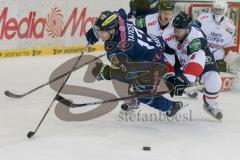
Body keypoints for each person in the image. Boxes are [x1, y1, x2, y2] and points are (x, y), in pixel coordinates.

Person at [86, 9, 183, 117]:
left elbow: (129, 73)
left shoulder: (115, 51)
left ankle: (171, 106)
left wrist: (105, 73)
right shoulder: (120, 20)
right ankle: (133, 100)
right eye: (98, 31)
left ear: (112, 30)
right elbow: (121, 12)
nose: (99, 34)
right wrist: (95, 33)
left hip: (153, 62)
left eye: (101, 32)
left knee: (143, 95)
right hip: (156, 43)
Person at [130, 0, 198, 98]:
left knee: (176, 74)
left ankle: (182, 85)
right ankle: (135, 99)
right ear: (159, 11)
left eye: (169, 13)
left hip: (171, 55)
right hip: (152, 54)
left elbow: (190, 35)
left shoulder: (177, 23)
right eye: (164, 13)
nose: (167, 16)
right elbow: (127, 25)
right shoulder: (146, 20)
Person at [164, 12, 223, 120]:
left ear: (187, 29)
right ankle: (189, 87)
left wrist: (187, 78)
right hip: (180, 57)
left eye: (178, 30)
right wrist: (170, 75)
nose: (175, 32)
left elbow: (197, 58)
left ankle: (210, 104)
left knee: (214, 80)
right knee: (172, 79)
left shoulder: (196, 38)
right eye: (174, 29)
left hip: (202, 56)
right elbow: (167, 57)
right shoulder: (168, 35)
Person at [195, 0, 236, 72]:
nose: (218, 11)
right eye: (216, 9)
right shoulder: (203, 18)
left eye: (220, 10)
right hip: (202, 54)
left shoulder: (230, 25)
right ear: (213, 8)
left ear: (225, 10)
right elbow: (193, 31)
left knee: (218, 79)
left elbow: (229, 45)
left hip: (218, 57)